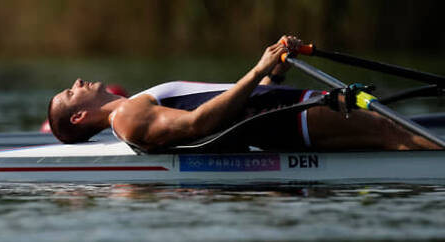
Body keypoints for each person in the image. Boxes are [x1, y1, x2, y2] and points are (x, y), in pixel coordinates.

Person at [47, 36, 442, 152]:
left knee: (398, 133)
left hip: (283, 112)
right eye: (71, 91)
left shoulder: (132, 108)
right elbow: (198, 123)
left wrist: (273, 73)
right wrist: (256, 69)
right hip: (287, 119)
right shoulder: (129, 118)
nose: (78, 82)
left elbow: (231, 108)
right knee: (396, 135)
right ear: (79, 117)